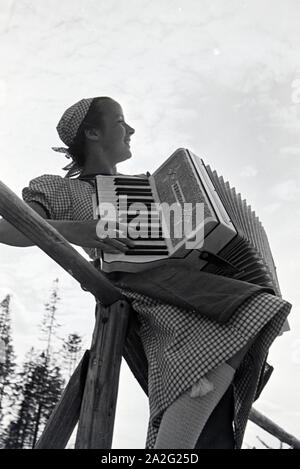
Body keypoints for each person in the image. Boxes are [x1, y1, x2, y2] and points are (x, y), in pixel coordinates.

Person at [0, 97, 292, 449]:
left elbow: (186, 235)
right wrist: (83, 230)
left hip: (179, 283)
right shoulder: (61, 188)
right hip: (134, 286)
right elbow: (9, 229)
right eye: (121, 121)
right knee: (248, 309)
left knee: (249, 317)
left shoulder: (152, 185)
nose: (131, 130)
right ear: (92, 132)